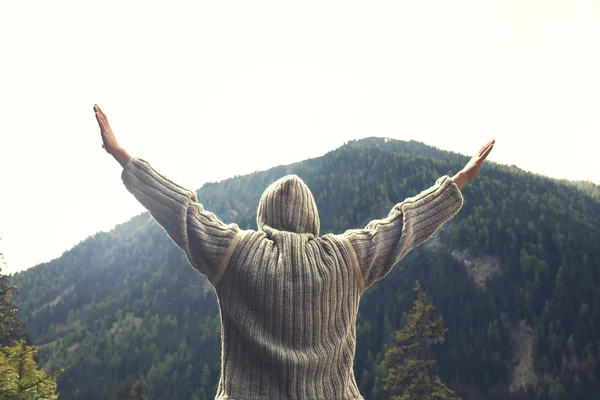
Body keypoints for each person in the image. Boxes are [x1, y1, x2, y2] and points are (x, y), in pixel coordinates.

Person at [94, 104, 494, 400]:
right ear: (312, 219)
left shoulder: (236, 253)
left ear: (264, 216)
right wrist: (454, 183)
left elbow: (182, 209)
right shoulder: (346, 257)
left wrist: (122, 156)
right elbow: (403, 225)